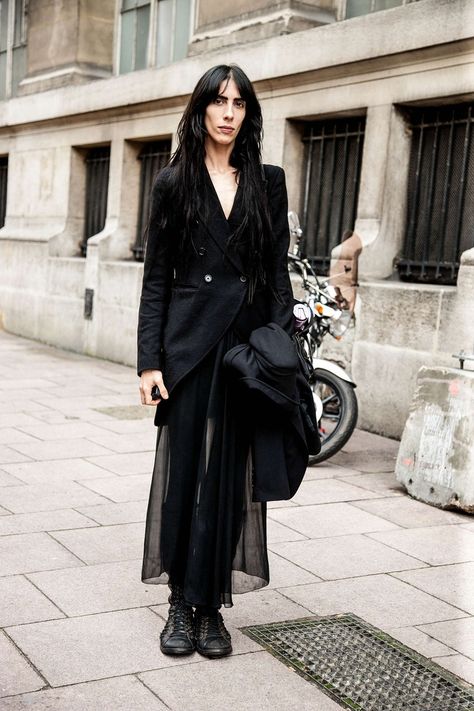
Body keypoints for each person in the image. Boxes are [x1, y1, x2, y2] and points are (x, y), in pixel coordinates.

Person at [137, 64, 294, 659]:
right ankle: (180, 598)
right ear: (201, 109)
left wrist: (281, 352)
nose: (229, 112)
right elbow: (156, 280)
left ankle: (212, 607)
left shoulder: (268, 182)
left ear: (249, 114)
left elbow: (276, 273)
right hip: (187, 350)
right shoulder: (174, 183)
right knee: (184, 476)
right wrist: (149, 362)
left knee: (230, 477)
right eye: (218, 101)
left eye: (239, 103)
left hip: (245, 351)